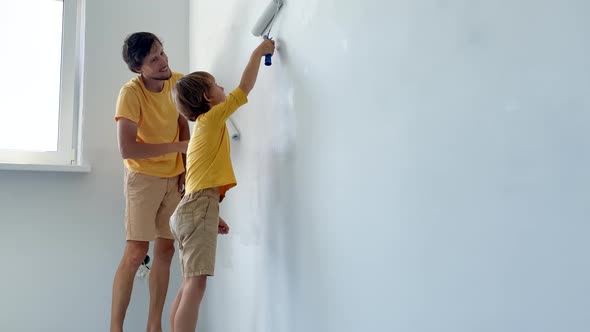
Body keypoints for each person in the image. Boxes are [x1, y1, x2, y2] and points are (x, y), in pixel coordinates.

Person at [167, 38, 275, 332]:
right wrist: (258, 52)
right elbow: (244, 89)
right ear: (207, 97)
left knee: (189, 283)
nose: (224, 90)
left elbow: (200, 183)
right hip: (197, 207)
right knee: (195, 285)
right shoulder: (212, 119)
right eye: (218, 87)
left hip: (192, 208)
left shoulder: (201, 130)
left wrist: (213, 213)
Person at [111, 32, 190, 332]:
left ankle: (153, 326)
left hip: (173, 177)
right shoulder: (130, 94)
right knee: (135, 252)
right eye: (153, 59)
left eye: (162, 53)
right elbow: (127, 148)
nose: (163, 62)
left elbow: (183, 122)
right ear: (138, 69)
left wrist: (183, 168)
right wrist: (177, 149)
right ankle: (115, 327)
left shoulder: (178, 82)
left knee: (167, 249)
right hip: (142, 179)